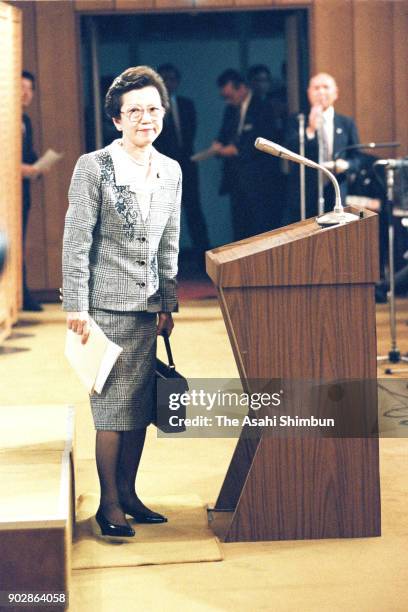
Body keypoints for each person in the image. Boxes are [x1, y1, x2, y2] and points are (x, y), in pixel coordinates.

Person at [62, 66, 182, 540]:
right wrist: (76, 304)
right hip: (104, 310)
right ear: (117, 119)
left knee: (138, 408)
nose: (145, 119)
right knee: (111, 410)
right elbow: (76, 241)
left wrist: (168, 301)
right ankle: (108, 504)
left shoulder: (170, 170)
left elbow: (170, 241)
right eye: (134, 111)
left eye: (153, 109)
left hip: (148, 308)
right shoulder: (93, 167)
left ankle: (130, 494)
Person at [213, 69, 282, 241]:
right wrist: (218, 145)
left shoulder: (263, 107)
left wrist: (236, 150)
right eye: (225, 98)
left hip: (260, 179)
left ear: (242, 88)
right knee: (240, 227)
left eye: (230, 96)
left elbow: (263, 139)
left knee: (260, 227)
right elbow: (223, 134)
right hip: (236, 178)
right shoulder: (230, 110)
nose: (228, 101)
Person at [284, 72, 360, 222]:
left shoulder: (346, 123)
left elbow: (358, 158)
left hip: (336, 191)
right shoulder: (297, 120)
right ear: (308, 93)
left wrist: (346, 165)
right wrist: (310, 130)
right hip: (305, 195)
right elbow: (291, 153)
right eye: (316, 88)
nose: (321, 92)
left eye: (326, 87)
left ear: (336, 93)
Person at [154, 63, 209, 264]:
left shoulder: (186, 104)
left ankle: (202, 259)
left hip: (186, 165)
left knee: (194, 210)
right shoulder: (151, 109)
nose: (168, 84)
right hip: (159, 168)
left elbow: (189, 135)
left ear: (177, 82)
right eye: (164, 79)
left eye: (172, 79)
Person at [21, 71, 43, 311]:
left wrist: (37, 166)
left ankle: (22, 292)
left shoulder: (25, 120)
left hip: (23, 190)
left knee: (20, 242)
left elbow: (29, 154)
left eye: (30, 88)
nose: (26, 93)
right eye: (21, 87)